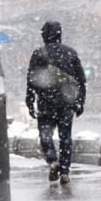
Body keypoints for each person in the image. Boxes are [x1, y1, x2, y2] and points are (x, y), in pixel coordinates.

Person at [26, 21, 86, 185]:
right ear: (60, 34)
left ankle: (53, 160)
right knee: (65, 136)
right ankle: (65, 171)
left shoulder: (39, 54)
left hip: (46, 103)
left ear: (44, 35)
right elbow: (81, 80)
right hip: (67, 102)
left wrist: (30, 102)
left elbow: (31, 80)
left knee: (45, 135)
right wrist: (80, 102)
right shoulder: (71, 53)